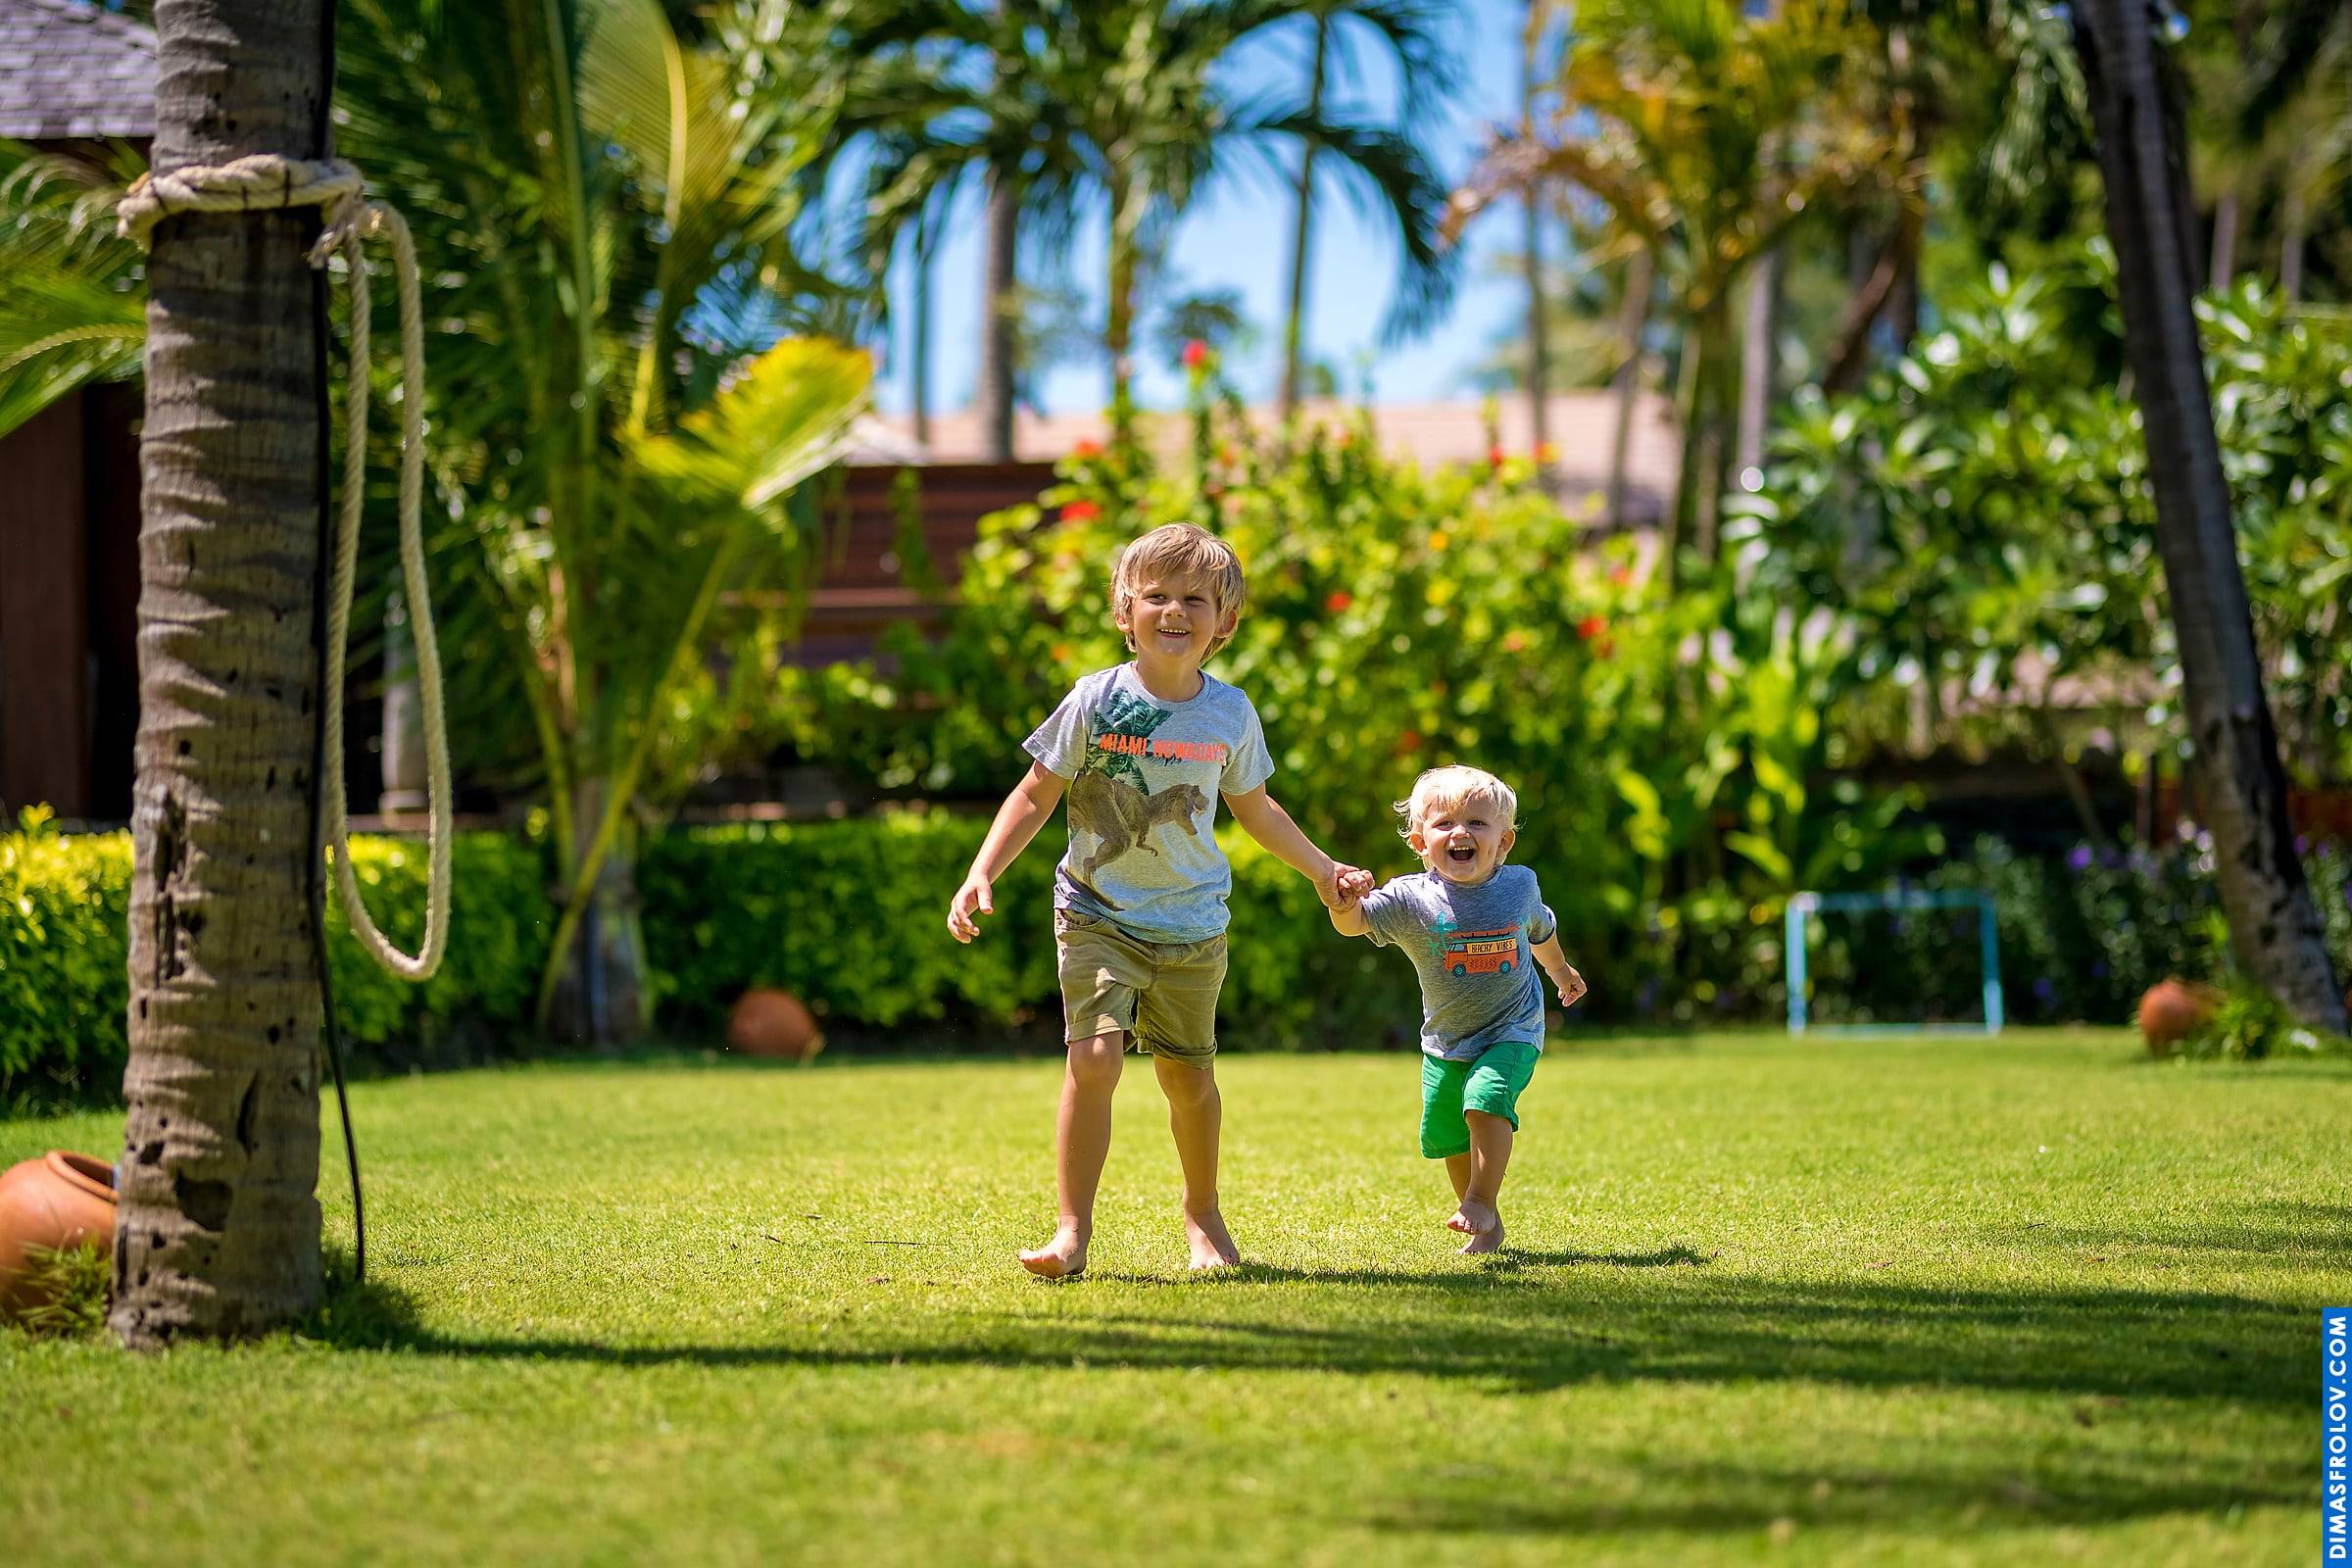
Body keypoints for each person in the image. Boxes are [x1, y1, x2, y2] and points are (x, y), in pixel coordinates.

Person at [947, 522, 1370, 1278]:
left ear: (1224, 622)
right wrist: (983, 870)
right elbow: (1036, 791)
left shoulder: (1230, 714)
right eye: (1157, 596)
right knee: (1094, 1059)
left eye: (1195, 600)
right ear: (1125, 611)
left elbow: (1257, 810)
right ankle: (1071, 1232)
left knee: (1188, 1079)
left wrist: (1320, 869)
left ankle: (1202, 1212)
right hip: (1096, 911)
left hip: (1191, 923)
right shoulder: (1096, 700)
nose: (1174, 611)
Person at [1329, 765, 1586, 1253]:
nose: (1460, 832)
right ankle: (1487, 1225)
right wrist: (1342, 902)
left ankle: (1480, 1201)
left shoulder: (1519, 887)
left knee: (1484, 1099)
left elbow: (1541, 931)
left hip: (1513, 1027)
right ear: (1420, 842)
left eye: (1477, 823)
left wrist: (1560, 971)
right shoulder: (1410, 899)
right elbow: (1356, 923)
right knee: (1449, 1131)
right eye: (1444, 823)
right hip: (1446, 1039)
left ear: (1503, 841)